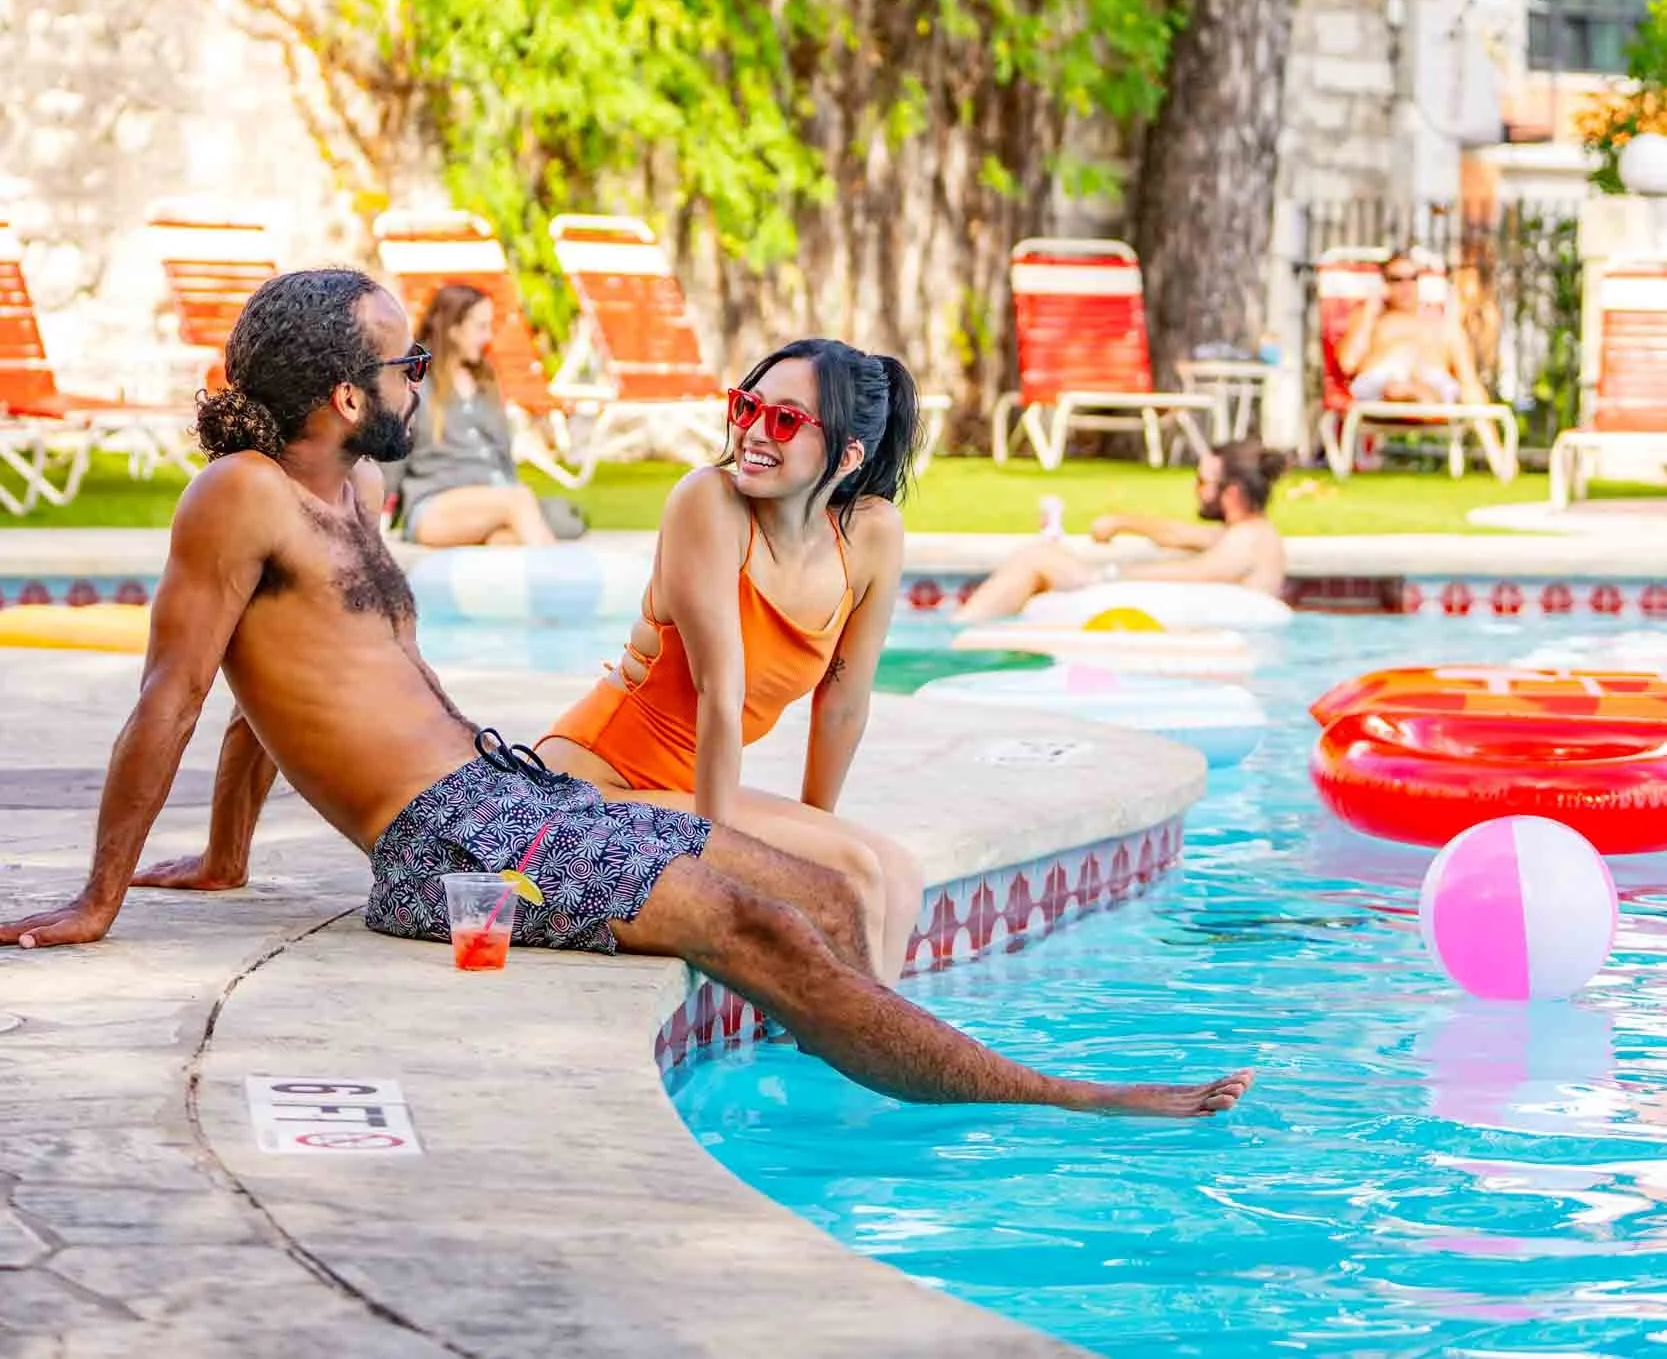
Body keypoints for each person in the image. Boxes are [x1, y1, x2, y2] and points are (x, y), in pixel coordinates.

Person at [0, 269, 1251, 1125]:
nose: (421, 379)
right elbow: (173, 695)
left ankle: (835, 1098)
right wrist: (102, 895)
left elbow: (268, 691)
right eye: (408, 362)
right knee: (755, 925)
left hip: (502, 792)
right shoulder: (239, 496)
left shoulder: (353, 494)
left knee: (818, 893)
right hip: (442, 845)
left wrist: (229, 857)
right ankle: (1062, 1099)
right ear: (345, 394)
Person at [536, 340, 921, 980]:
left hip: (683, 788)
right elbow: (720, 691)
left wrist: (815, 829)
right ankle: (858, 1034)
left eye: (787, 419)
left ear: (849, 456)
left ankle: (845, 1038)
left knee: (897, 873)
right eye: (747, 406)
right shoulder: (709, 502)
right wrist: (721, 855)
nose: (755, 431)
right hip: (591, 785)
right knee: (852, 872)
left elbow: (844, 703)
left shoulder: (871, 535)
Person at [956, 441, 1289, 623]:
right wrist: (1121, 522)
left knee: (1038, 559)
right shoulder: (1246, 532)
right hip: (1161, 606)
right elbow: (1176, 534)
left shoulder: (1249, 540)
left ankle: (962, 629)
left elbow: (1195, 573)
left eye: (1203, 482)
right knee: (1041, 560)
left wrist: (1109, 575)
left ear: (1232, 493)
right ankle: (968, 625)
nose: (1196, 489)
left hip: (1150, 606)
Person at [390, 282, 576, 549]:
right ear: (453, 329)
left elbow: (503, 455)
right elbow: (391, 455)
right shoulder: (415, 385)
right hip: (434, 507)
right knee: (519, 500)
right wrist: (371, 518)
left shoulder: (484, 382)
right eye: (480, 327)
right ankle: (562, 574)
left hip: (494, 504)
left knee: (507, 539)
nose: (487, 337)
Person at [1338, 252, 1484, 409]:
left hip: (1432, 383)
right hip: (1381, 386)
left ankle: (1418, 395)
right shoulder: (1371, 318)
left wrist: (1484, 418)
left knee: (1440, 389)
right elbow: (1348, 363)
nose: (1406, 286)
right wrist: (1371, 308)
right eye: (1396, 279)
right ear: (1384, 285)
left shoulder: (1443, 325)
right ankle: (1414, 395)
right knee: (1395, 388)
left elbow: (1469, 381)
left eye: (1413, 278)